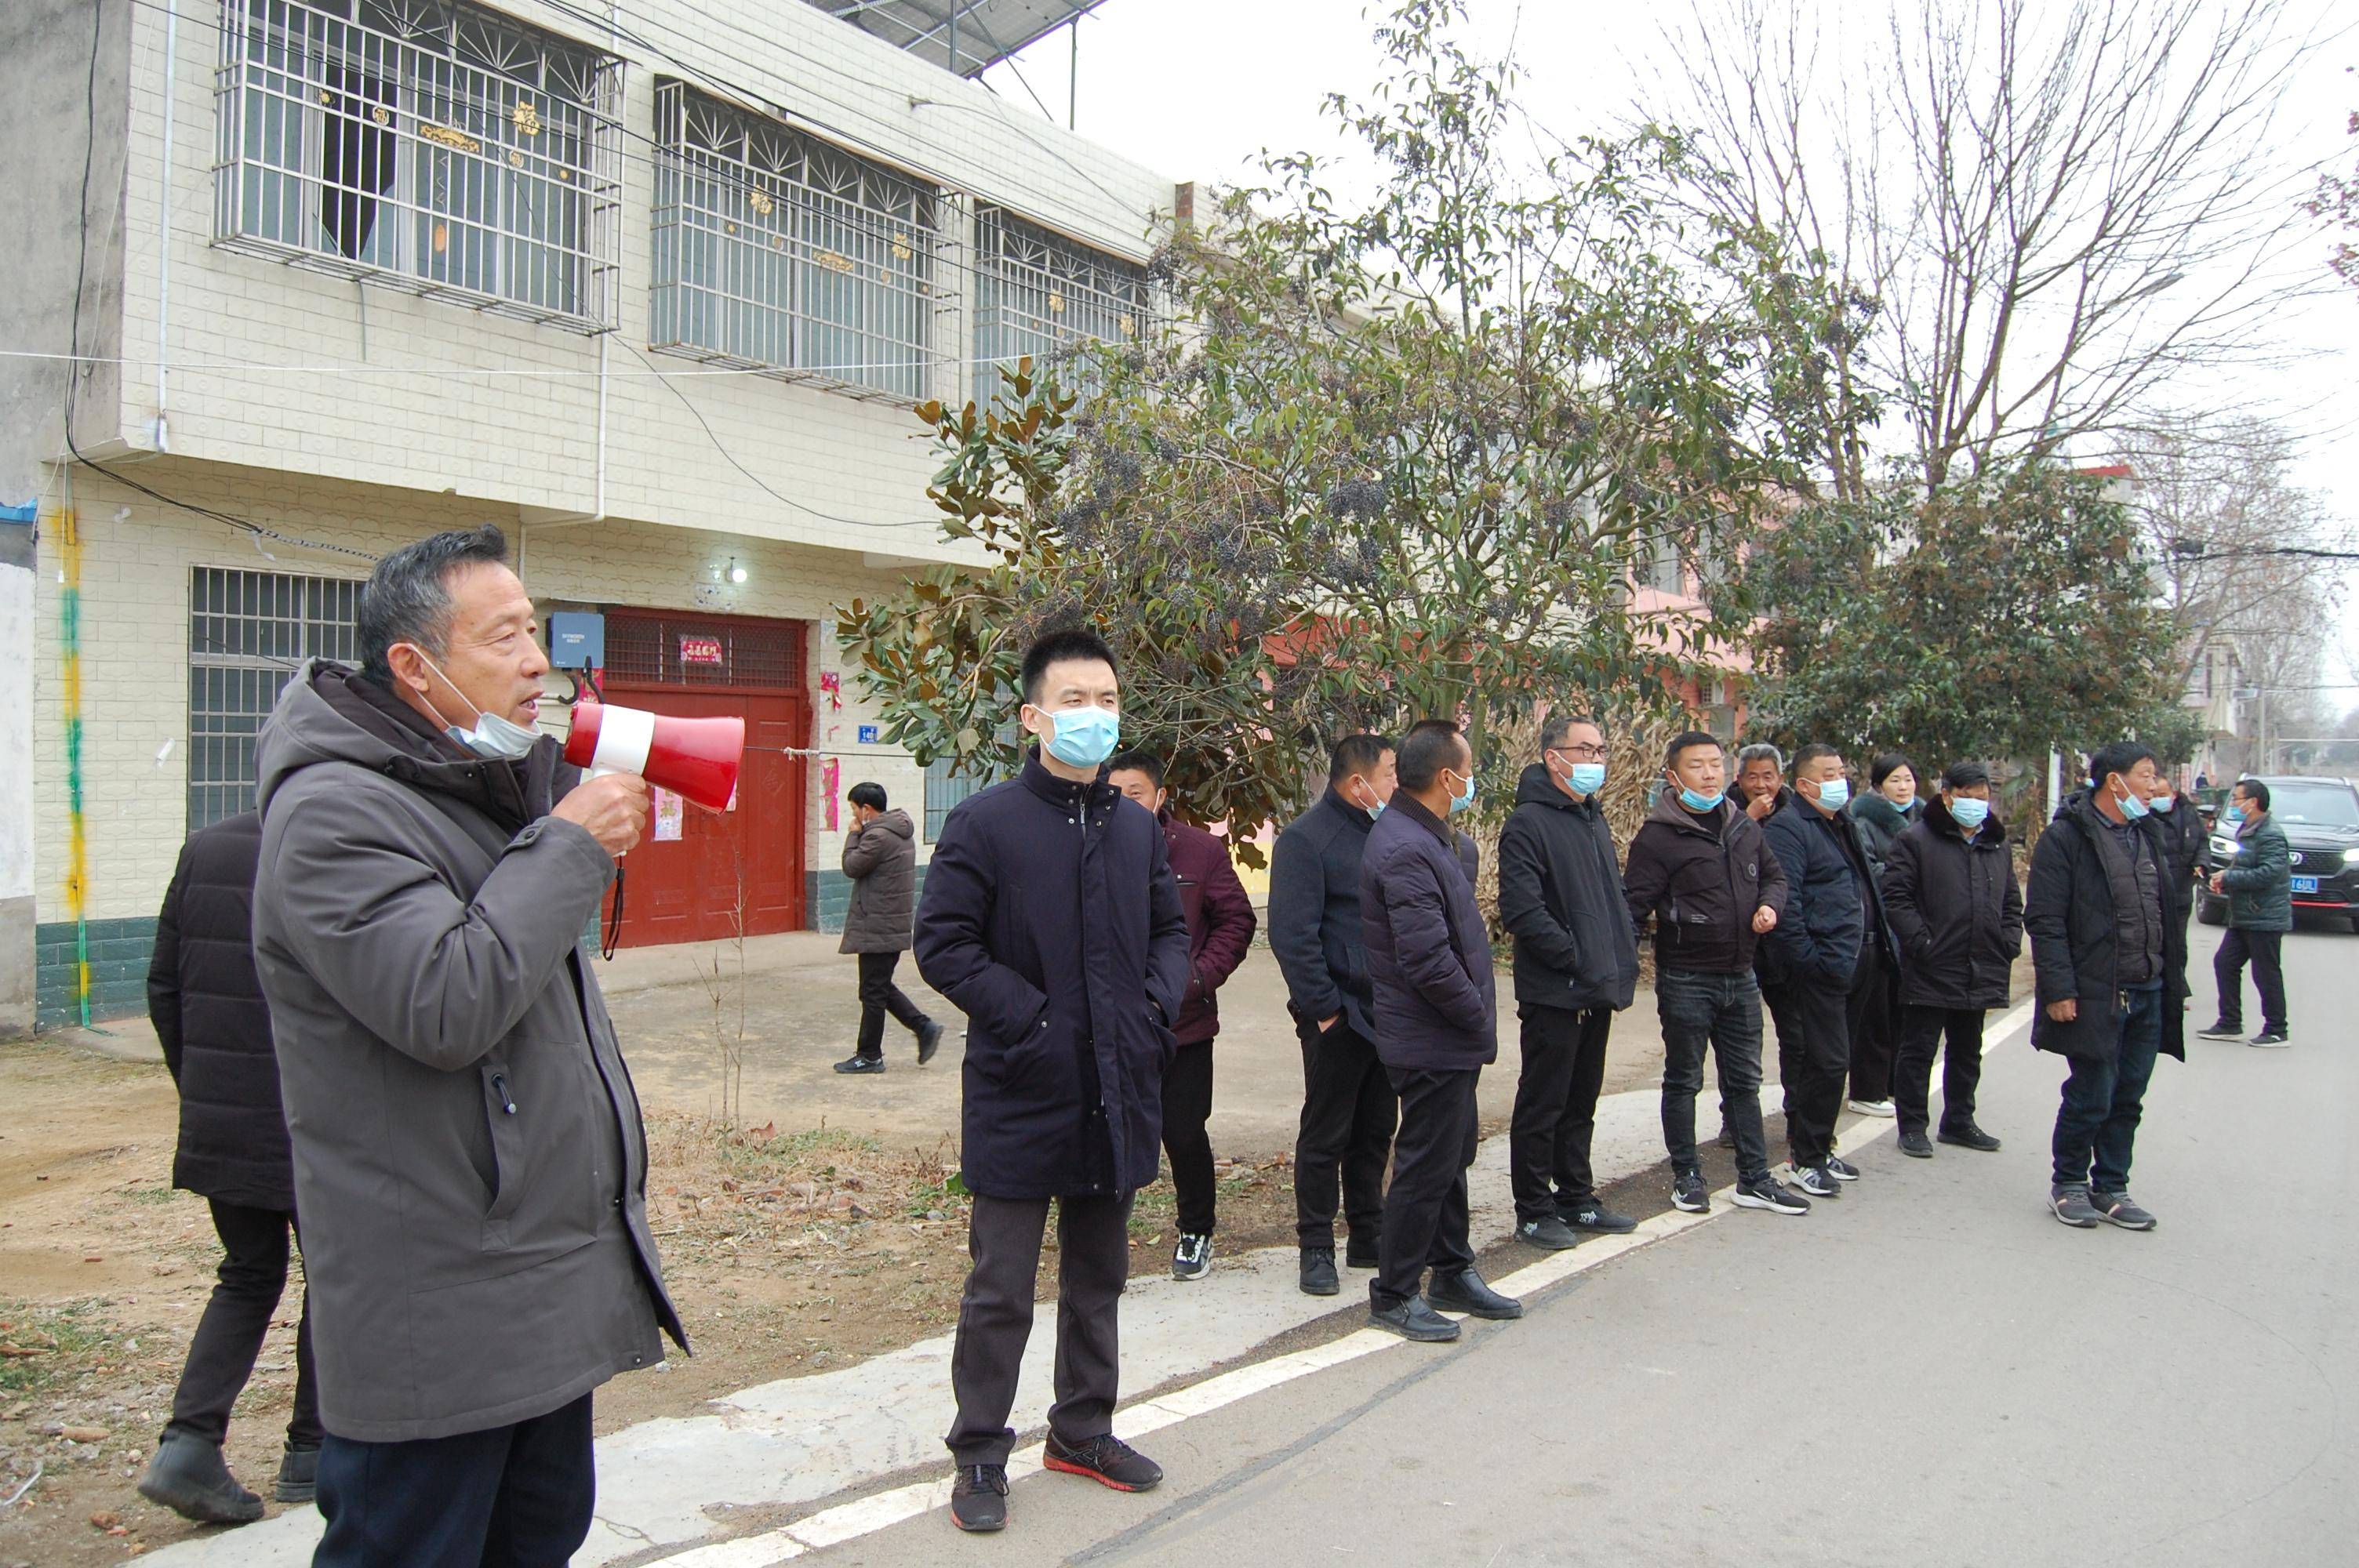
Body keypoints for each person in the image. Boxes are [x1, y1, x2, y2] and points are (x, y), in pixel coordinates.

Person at [250, 525, 684, 1564]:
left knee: (533, 1542)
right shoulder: (335, 814)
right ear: (414, 665)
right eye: (505, 638)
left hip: (529, 1303)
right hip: (438, 1322)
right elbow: (444, 1002)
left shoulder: (478, 795)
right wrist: (571, 845)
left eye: (536, 631)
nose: (539, 662)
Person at [914, 629, 1191, 1534]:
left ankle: (1082, 1428)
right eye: (1075, 700)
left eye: (1107, 699)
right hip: (1020, 1086)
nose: (1095, 716)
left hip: (1118, 1084)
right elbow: (942, 943)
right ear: (1033, 715)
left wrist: (1154, 1006)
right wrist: (1029, 1018)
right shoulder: (986, 823)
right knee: (999, 1284)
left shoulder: (1137, 826)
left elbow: (1168, 933)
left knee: (1098, 1273)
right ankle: (980, 1453)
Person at [136, 811, 320, 1526]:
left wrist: (206, 1092)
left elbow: (163, 986)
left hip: (223, 1118)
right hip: (318, 1120)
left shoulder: (205, 849)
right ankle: (311, 1450)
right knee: (336, 1278)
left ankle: (188, 1443)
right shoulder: (338, 841)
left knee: (246, 1275)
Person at [1359, 719, 1521, 1341]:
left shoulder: (1427, 834)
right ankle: (1394, 1292)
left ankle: (1452, 1268)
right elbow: (1425, 959)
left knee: (1450, 1157)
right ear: (1447, 777)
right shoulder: (1405, 845)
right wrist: (1476, 1014)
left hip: (1444, 1035)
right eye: (1469, 768)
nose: (1472, 779)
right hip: (1431, 1035)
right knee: (1426, 1165)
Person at [1623, 732, 1807, 1217]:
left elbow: (1775, 877)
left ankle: (1755, 1177)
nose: (1708, 774)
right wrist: (1617, 970)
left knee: (1744, 1081)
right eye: (1696, 766)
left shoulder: (1743, 827)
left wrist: (1769, 906)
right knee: (1684, 1079)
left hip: (1741, 974)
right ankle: (1686, 1176)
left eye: (1714, 765)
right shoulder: (1659, 837)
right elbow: (1633, 907)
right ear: (1673, 776)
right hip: (1686, 976)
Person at [1105, 750, 1258, 1280]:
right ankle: (1102, 1238)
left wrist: (1194, 980)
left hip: (1184, 1025)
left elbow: (1236, 922)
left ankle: (1197, 1230)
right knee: (1109, 1130)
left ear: (1160, 797)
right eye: (1114, 794)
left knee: (1184, 1131)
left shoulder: (1199, 851)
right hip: (1112, 1026)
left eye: (1136, 794)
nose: (1125, 805)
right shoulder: (1086, 848)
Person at [2026, 742, 2186, 1231]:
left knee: (2129, 1095)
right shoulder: (2066, 839)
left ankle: (2112, 1185)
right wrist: (2059, 989)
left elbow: (2163, 911)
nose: (2154, 785)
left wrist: (2171, 977)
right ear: (2114, 781)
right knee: (2092, 1092)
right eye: (2145, 774)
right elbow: (2046, 920)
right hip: (2096, 990)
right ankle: (2069, 1182)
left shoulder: (2147, 834)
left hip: (2149, 987)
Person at [1496, 712, 1640, 1250]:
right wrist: (1576, 958)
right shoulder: (1529, 822)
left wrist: (1616, 954)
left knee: (1581, 1102)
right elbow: (1523, 910)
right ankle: (1532, 1209)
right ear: (1553, 757)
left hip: (1596, 988)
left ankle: (1576, 1197)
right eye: (1586, 751)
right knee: (1543, 1103)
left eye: (1601, 751)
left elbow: (1609, 900)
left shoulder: (1590, 817)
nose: (1596, 762)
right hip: (1556, 992)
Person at [1269, 734, 1401, 1298]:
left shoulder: (1389, 834)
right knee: (1326, 1132)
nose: (1397, 783)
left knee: (1375, 1128)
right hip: (1338, 1014)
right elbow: (1292, 935)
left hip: (1388, 1011)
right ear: (1357, 783)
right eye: (1391, 772)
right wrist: (1325, 1010)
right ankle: (1316, 1246)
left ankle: (1368, 1233)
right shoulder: (1306, 840)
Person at [1759, 743, 1894, 1200]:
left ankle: (1821, 1144)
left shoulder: (1843, 823)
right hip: (1818, 968)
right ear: (1804, 784)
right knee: (1825, 1060)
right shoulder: (1789, 828)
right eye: (1829, 773)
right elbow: (1787, 901)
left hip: (1857, 958)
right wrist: (1810, 959)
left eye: (1842, 771)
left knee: (1840, 1059)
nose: (1840, 780)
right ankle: (1806, 1156)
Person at [1880, 761, 2020, 1157]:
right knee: (1919, 1048)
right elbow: (1896, 898)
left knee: (1967, 1048)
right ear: (1947, 796)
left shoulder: (1996, 842)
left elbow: (2011, 899)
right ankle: (1912, 1126)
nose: (1977, 805)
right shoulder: (1916, 840)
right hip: (1932, 962)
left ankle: (1959, 1120)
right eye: (1968, 797)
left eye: (1983, 797)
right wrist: (1921, 943)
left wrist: (2009, 940)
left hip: (1983, 960)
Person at [833, 782, 944, 1075]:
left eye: (854, 809)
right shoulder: (898, 832)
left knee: (872, 993)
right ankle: (924, 1028)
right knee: (878, 987)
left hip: (878, 926)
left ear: (866, 809)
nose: (854, 815)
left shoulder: (877, 836)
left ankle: (870, 1055)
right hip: (888, 924)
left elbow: (851, 866)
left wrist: (853, 834)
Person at [1841, 753, 1920, 1117]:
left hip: (1916, 926)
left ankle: (1894, 1085)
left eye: (1908, 780)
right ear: (1879, 786)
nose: (1903, 787)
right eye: (1895, 781)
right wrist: (1912, 875)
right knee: (1877, 1014)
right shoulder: (1863, 820)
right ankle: (1867, 1088)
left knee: (1907, 1014)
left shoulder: (1925, 817)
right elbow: (1869, 868)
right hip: (1881, 926)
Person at [2201, 778, 2292, 1047]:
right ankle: (2230, 1023)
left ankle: (2277, 1029)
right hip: (2245, 915)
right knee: (2225, 963)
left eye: (2238, 799)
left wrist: (2230, 877)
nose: (2235, 804)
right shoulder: (2249, 828)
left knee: (2266, 973)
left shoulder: (2270, 834)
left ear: (2253, 802)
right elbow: (2244, 865)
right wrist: (2225, 877)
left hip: (2264, 916)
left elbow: (2270, 874)